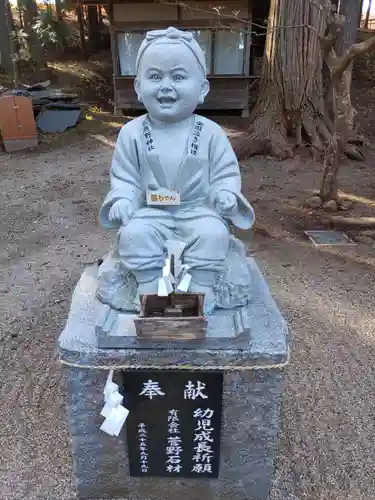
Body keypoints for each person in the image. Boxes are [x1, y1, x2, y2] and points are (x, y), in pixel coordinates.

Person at [99, 27, 254, 314]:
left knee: (212, 235)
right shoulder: (131, 134)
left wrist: (225, 193)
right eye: (155, 77)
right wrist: (123, 200)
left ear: (203, 89)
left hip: (197, 210)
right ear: (137, 86)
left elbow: (225, 174)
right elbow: (125, 178)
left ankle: (201, 289)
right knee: (134, 234)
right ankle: (147, 288)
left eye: (179, 77)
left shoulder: (211, 133)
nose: (166, 86)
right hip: (151, 211)